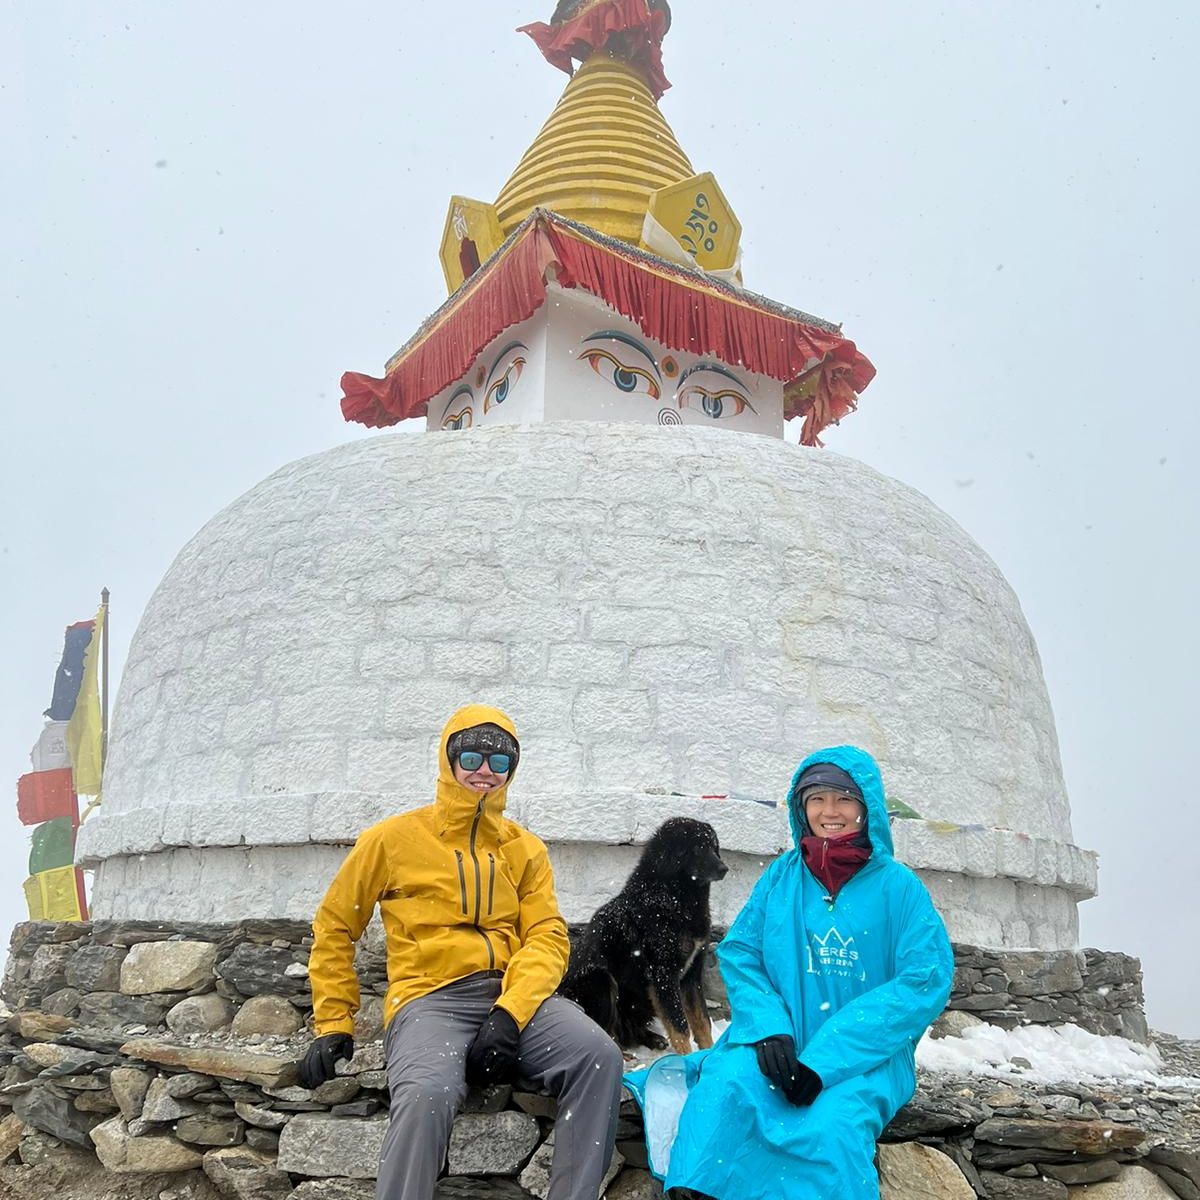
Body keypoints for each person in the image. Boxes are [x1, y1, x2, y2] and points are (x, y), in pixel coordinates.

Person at [299, 704, 624, 1200]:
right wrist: (334, 1023)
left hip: (515, 998)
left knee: (597, 1056)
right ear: (447, 759)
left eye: (500, 763)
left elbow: (547, 937)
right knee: (429, 1094)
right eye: (470, 756)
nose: (483, 772)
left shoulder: (525, 849)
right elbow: (336, 924)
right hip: (430, 999)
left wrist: (510, 1014)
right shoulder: (393, 840)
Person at [627, 745, 954, 1200]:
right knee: (725, 1091)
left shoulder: (900, 889)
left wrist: (824, 1060)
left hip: (862, 1059)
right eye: (816, 799)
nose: (829, 811)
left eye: (844, 799)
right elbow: (742, 951)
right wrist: (769, 1029)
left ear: (867, 807)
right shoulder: (783, 875)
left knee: (832, 1127)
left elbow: (923, 981)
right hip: (777, 1044)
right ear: (801, 807)